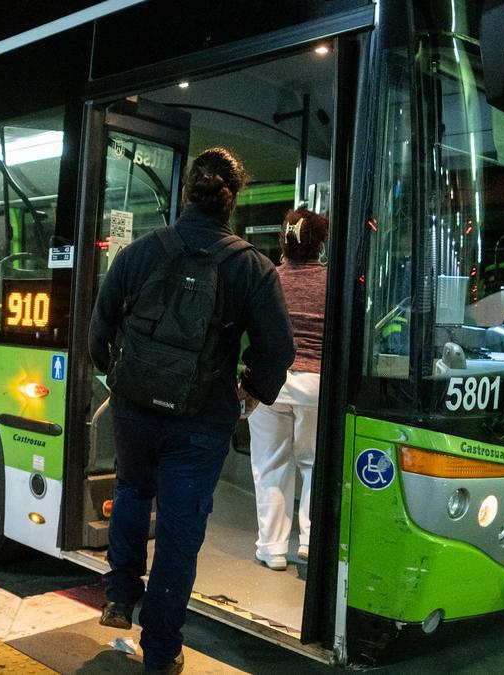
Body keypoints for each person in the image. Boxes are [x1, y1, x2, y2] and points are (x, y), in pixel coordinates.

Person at [89, 147, 295, 674]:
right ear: (233, 198)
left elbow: (100, 326)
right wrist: (248, 392)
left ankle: (118, 596)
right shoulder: (254, 268)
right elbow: (278, 351)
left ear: (187, 193)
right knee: (180, 533)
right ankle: (161, 653)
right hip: (202, 419)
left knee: (133, 492)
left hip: (135, 411)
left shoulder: (139, 252)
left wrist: (120, 375)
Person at [248, 208, 328, 571]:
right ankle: (310, 542)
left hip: (272, 383)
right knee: (313, 464)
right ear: (321, 244)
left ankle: (272, 548)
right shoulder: (332, 281)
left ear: (284, 242)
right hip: (316, 386)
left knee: (271, 464)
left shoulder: (269, 279)